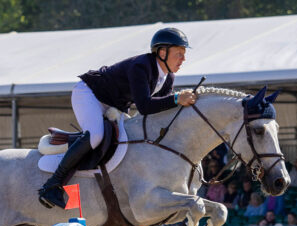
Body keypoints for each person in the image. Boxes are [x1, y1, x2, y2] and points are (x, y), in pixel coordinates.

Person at [38, 28, 195, 208]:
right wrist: (176, 99)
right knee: (96, 135)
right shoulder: (141, 66)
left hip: (113, 105)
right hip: (89, 95)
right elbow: (144, 106)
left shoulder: (168, 77)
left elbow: (160, 112)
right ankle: (52, 185)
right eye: (179, 54)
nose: (183, 59)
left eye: (183, 54)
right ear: (162, 52)